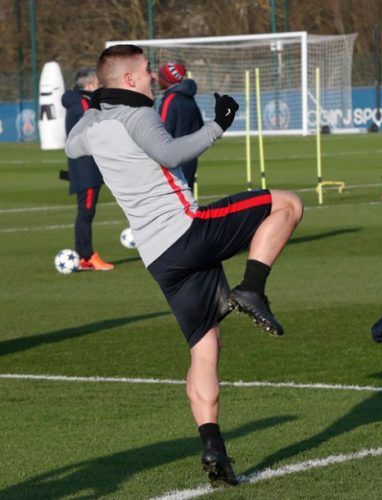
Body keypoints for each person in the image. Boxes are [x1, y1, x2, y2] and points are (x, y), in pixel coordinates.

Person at [65, 44, 303, 487]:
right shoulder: (137, 114)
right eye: (147, 73)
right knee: (288, 203)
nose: (155, 78)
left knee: (205, 348)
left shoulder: (96, 124)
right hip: (187, 230)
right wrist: (220, 124)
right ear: (131, 80)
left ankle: (214, 448)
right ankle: (252, 287)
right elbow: (172, 154)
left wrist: (93, 104)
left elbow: (72, 143)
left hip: (159, 258)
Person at [61, 68, 114, 271]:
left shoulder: (79, 100)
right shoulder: (83, 103)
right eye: (99, 84)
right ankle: (86, 256)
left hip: (86, 165)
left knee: (86, 212)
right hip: (86, 166)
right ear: (91, 85)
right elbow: (93, 132)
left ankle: (85, 255)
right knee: (86, 213)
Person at [157, 61, 204, 191]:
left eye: (161, 76)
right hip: (190, 158)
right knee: (187, 202)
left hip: (174, 160)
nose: (158, 80)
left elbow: (162, 133)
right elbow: (200, 126)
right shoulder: (190, 98)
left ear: (167, 80)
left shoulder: (170, 100)